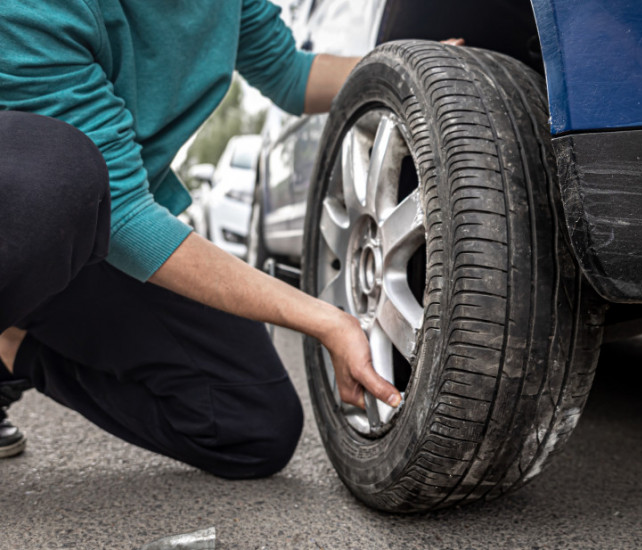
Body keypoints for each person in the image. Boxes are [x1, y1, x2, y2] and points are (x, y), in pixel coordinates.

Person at [0, 0, 460, 477]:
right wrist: (325, 319)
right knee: (58, 174)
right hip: (21, 223)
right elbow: (125, 215)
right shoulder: (35, 9)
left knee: (253, 422)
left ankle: (10, 350)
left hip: (81, 239)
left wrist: (419, 67)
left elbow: (290, 74)